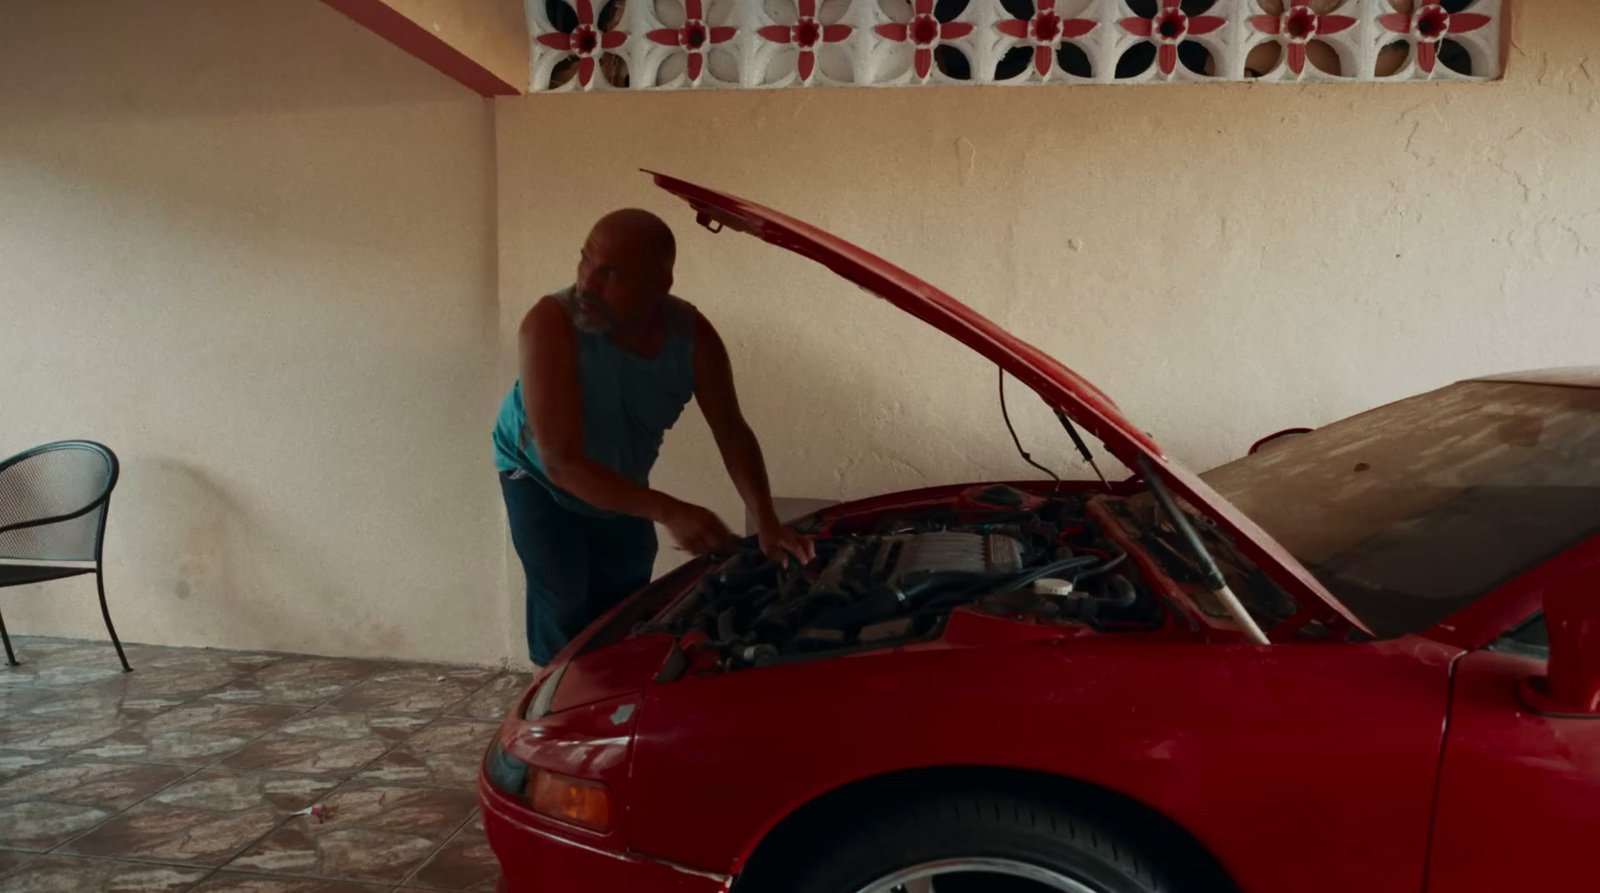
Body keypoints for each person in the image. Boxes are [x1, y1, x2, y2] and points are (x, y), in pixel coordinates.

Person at [494, 209, 815, 666]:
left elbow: (732, 431)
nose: (587, 283)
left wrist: (767, 521)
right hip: (538, 475)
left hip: (617, 477)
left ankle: (607, 705)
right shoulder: (549, 325)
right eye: (585, 261)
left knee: (627, 600)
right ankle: (548, 717)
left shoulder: (693, 338)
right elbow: (562, 464)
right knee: (563, 597)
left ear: (658, 286)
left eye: (610, 274)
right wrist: (669, 509)